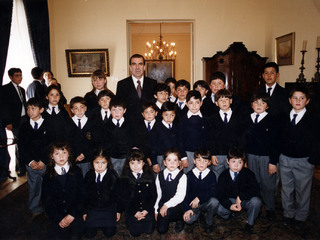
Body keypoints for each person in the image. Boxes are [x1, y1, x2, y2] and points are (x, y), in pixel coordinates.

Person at [279, 86, 319, 229]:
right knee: (286, 189)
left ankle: (301, 217)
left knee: (303, 190)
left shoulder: (313, 119)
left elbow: (317, 141)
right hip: (285, 159)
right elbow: (278, 138)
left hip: (304, 160)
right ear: (290, 100)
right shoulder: (283, 116)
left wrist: (312, 160)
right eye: (295, 98)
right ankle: (288, 214)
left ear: (307, 101)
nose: (298, 101)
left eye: (301, 98)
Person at [244, 92, 279, 221]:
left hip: (266, 158)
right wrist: (245, 159)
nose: (259, 105)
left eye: (263, 103)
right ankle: (256, 208)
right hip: (251, 156)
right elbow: (244, 141)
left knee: (267, 184)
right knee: (254, 182)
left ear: (267, 106)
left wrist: (273, 162)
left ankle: (270, 208)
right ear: (251, 105)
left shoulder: (272, 120)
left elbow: (275, 143)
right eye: (256, 103)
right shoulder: (248, 119)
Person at [42, 142, 84, 239]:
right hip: (57, 216)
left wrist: (72, 214)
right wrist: (58, 219)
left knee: (75, 236)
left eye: (64, 152)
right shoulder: (47, 176)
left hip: (74, 213)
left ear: (69, 154)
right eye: (57, 153)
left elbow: (81, 196)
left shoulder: (77, 171)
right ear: (52, 156)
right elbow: (46, 200)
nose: (61, 156)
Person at [217, 147, 261, 234]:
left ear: (244, 163)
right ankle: (231, 213)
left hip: (244, 200)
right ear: (227, 161)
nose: (236, 165)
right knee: (219, 209)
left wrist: (241, 197)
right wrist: (230, 205)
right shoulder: (223, 175)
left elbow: (255, 189)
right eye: (233, 161)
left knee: (256, 202)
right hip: (230, 200)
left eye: (240, 162)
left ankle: (250, 223)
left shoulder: (248, 173)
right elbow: (220, 194)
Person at [18, 98, 50, 218]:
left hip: (45, 163)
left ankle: (48, 207)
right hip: (31, 164)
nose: (30, 111)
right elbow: (22, 146)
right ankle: (34, 207)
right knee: (33, 186)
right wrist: (30, 161)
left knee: (48, 186)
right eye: (28, 109)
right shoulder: (24, 126)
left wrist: (43, 160)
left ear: (41, 109)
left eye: (33, 108)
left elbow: (50, 145)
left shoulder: (48, 125)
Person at [117, 149, 157, 237]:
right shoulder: (125, 179)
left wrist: (147, 210)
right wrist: (134, 212)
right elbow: (124, 199)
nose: (135, 166)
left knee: (149, 230)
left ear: (143, 163)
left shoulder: (149, 177)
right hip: (132, 211)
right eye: (132, 163)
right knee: (135, 233)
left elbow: (153, 196)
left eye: (138, 162)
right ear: (128, 164)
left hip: (147, 210)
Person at [82, 148, 119, 238]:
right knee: (89, 234)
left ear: (108, 163)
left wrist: (118, 211)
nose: (100, 166)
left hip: (108, 208)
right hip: (93, 208)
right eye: (97, 163)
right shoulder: (89, 175)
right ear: (92, 163)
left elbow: (118, 195)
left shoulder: (113, 176)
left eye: (103, 163)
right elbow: (84, 195)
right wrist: (84, 211)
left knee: (109, 233)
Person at [183, 149, 219, 233]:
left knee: (214, 202)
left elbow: (213, 191)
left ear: (209, 162)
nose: (202, 163)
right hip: (192, 204)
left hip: (205, 202)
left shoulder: (211, 175)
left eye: (205, 161)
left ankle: (209, 221)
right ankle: (198, 214)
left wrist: (199, 198)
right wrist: (187, 209)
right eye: (199, 160)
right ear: (194, 161)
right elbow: (185, 193)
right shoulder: (189, 175)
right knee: (188, 220)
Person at [210, 89, 244, 180]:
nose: (224, 102)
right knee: (217, 178)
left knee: (234, 178)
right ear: (216, 103)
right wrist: (213, 154)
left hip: (234, 155)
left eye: (226, 99)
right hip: (218, 155)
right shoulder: (212, 118)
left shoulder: (238, 117)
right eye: (221, 100)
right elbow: (211, 138)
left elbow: (241, 137)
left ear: (231, 101)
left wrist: (241, 154)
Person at [0, 68, 27, 176]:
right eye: (17, 75)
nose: (20, 77)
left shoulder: (22, 89)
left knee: (24, 143)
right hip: (14, 121)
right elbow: (3, 107)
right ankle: (20, 168)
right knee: (19, 144)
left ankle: (21, 165)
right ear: (11, 77)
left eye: (21, 75)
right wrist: (8, 122)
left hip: (24, 119)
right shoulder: (4, 89)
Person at [116, 54, 157, 123]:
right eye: (134, 64)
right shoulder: (122, 84)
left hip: (149, 124)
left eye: (140, 64)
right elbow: (119, 105)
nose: (137, 67)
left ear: (144, 67)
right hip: (129, 124)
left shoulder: (153, 83)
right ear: (130, 67)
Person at [154, 148, 187, 234]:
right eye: (169, 160)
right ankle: (166, 218)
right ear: (164, 162)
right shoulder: (160, 175)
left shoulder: (182, 176)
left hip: (177, 205)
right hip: (164, 204)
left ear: (179, 163)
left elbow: (180, 196)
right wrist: (156, 210)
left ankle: (180, 219)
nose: (172, 163)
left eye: (175, 160)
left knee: (172, 212)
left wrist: (166, 206)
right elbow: (158, 194)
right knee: (161, 230)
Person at [178, 90, 209, 173]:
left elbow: (209, 139)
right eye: (191, 103)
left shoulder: (206, 120)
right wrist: (183, 157)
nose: (194, 106)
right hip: (187, 154)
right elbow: (179, 140)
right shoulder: (182, 120)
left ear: (201, 103)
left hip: (202, 154)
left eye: (197, 102)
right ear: (186, 104)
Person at [150, 101, 185, 173]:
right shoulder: (156, 127)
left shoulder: (176, 127)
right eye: (166, 115)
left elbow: (180, 143)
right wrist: (154, 163)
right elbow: (152, 146)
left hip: (174, 158)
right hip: (160, 158)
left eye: (172, 115)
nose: (169, 118)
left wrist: (180, 159)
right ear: (161, 115)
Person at [103, 97, 134, 176]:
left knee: (126, 177)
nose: (117, 112)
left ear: (124, 110)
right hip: (112, 157)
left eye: (120, 110)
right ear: (110, 111)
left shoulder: (130, 124)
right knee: (114, 177)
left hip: (126, 157)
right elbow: (105, 143)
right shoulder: (106, 126)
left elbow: (133, 140)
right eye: (114, 110)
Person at [70, 96, 98, 177]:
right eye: (76, 108)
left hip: (88, 159)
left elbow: (94, 143)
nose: (79, 110)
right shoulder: (68, 123)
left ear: (85, 108)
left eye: (82, 107)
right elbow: (67, 142)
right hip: (73, 159)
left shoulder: (91, 124)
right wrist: (75, 155)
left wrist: (84, 154)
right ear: (72, 110)